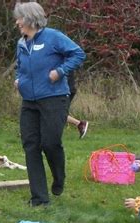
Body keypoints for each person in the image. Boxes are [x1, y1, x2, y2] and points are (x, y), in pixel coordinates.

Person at [13, 2, 85, 207]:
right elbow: (20, 66)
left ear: (30, 18)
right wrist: (19, 79)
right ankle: (39, 198)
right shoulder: (21, 43)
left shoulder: (53, 37)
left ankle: (59, 177)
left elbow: (78, 54)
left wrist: (60, 71)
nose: (17, 22)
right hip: (28, 101)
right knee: (31, 146)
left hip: (54, 98)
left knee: (50, 143)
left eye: (20, 18)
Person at [66, 72, 88, 139]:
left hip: (66, 90)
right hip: (65, 90)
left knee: (57, 113)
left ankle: (80, 123)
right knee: (56, 113)